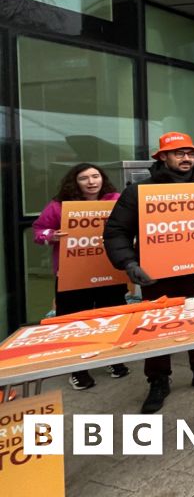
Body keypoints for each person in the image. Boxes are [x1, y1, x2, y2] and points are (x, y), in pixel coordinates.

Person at [104, 132, 194, 414]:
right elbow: (116, 231)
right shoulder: (138, 191)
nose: (187, 158)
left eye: (190, 153)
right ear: (163, 157)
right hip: (157, 275)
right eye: (179, 153)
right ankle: (158, 379)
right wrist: (129, 263)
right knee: (157, 327)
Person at [33, 163, 129, 390]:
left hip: (108, 271)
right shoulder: (59, 206)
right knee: (75, 321)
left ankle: (113, 359)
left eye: (95, 176)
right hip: (72, 273)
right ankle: (77, 369)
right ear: (74, 182)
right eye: (84, 178)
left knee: (112, 316)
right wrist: (52, 235)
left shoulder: (115, 199)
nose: (91, 182)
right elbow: (38, 231)